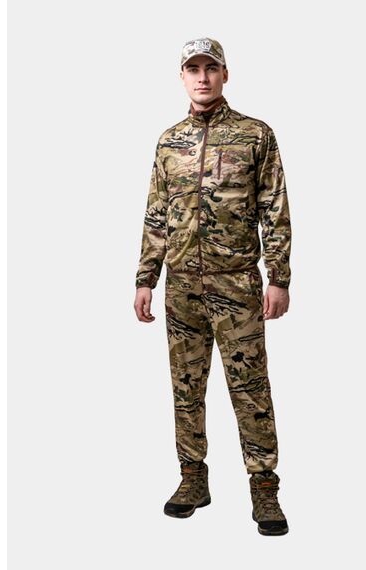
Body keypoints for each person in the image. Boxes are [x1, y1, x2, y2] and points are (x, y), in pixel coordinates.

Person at [133, 37, 292, 536]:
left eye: (211, 68)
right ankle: (192, 478)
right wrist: (145, 278)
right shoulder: (168, 141)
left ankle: (264, 486)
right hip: (181, 287)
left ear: (225, 74)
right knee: (185, 386)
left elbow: (274, 208)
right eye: (193, 69)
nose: (202, 77)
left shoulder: (255, 135)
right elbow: (156, 214)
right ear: (182, 76)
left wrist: (279, 277)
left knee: (250, 386)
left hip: (237, 285)